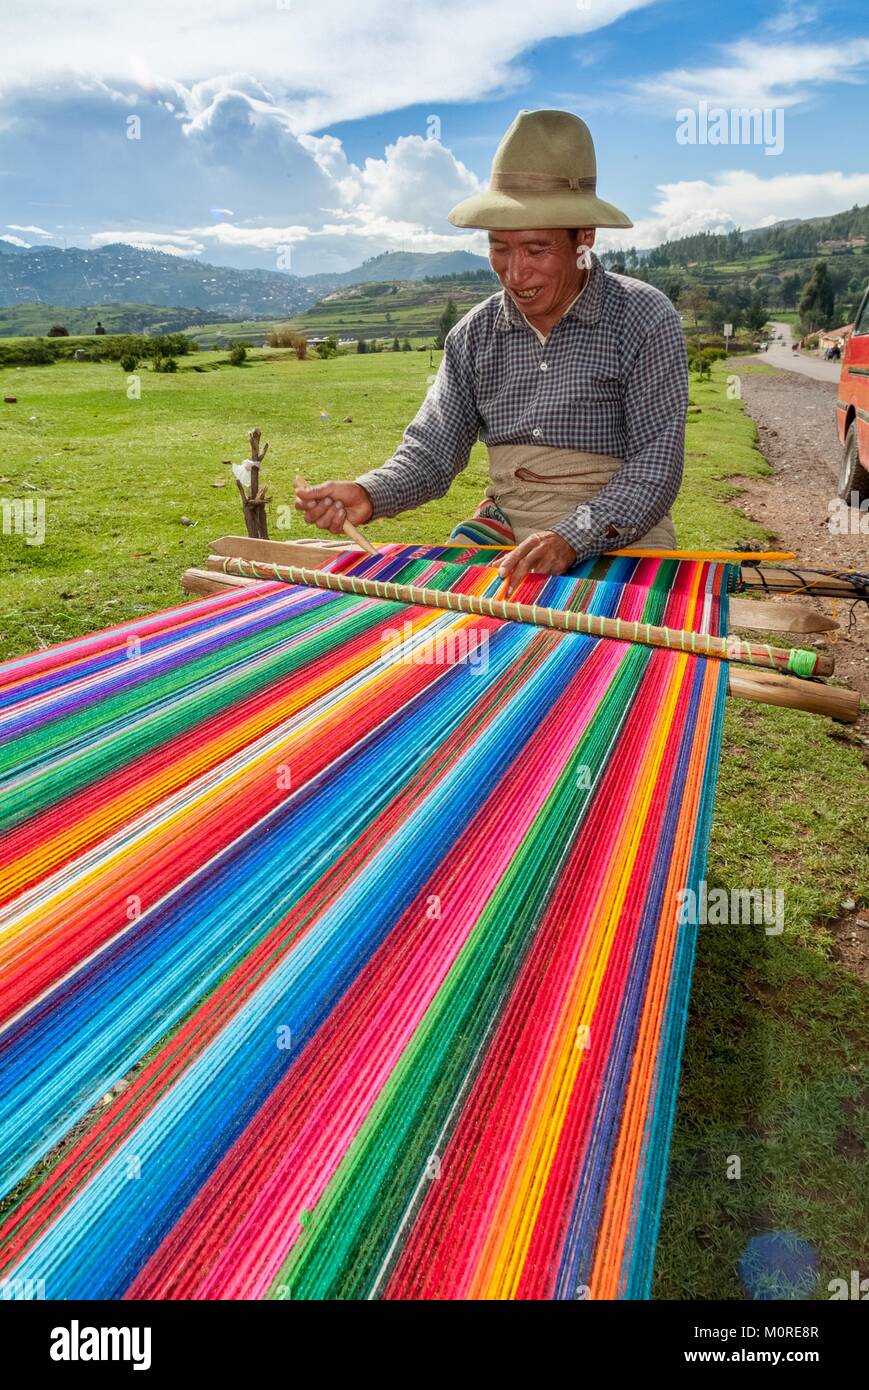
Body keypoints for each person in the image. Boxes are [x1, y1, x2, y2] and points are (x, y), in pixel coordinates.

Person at [295, 109, 687, 595]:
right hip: (507, 520)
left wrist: (572, 536)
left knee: (613, 639)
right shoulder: (473, 335)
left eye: (537, 250)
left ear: (584, 237)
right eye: (500, 248)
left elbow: (656, 464)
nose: (515, 273)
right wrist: (369, 493)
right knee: (454, 622)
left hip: (618, 524)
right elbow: (432, 454)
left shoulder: (644, 317)